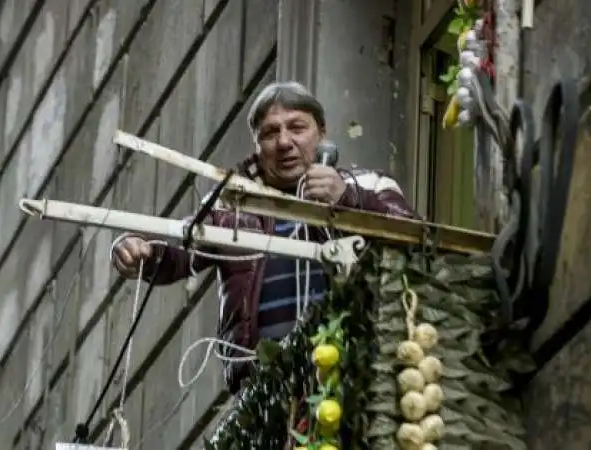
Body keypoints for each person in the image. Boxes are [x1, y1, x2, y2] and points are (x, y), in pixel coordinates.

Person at [110, 81, 417, 394]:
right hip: (263, 390)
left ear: (321, 134)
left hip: (354, 375)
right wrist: (141, 252)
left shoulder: (368, 184)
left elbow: (415, 243)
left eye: (297, 127)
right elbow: (179, 252)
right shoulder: (229, 205)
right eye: (270, 133)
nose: (284, 142)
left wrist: (347, 198)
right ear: (257, 145)